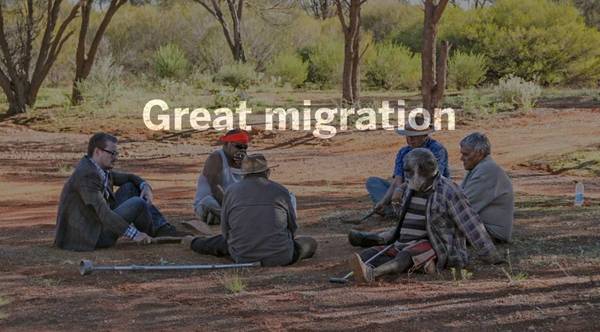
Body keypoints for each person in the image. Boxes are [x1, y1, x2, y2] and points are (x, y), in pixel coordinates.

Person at [349, 148, 503, 283]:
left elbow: (472, 225)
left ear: (422, 171)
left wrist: (492, 256)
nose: (406, 175)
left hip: (436, 244)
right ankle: (417, 266)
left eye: (409, 171)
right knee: (368, 254)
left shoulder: (449, 191)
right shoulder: (412, 186)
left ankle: (372, 274)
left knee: (406, 257)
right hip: (402, 243)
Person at [54, 133, 184, 251]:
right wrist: (135, 235)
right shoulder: (86, 175)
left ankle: (160, 228)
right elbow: (104, 213)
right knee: (138, 203)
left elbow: (129, 178)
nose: (115, 158)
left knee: (130, 187)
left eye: (116, 154)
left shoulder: (97, 168)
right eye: (112, 153)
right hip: (91, 236)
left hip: (99, 224)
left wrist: (145, 186)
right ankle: (154, 233)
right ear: (98, 152)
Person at [185, 154, 317, 267]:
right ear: (267, 173)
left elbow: (226, 232)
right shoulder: (281, 191)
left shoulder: (231, 192)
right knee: (310, 243)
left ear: (243, 175)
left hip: (242, 256)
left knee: (217, 243)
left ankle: (192, 242)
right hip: (281, 257)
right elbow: (292, 227)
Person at [366, 121, 450, 217]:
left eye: (414, 137)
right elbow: (398, 179)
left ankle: (402, 210)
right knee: (373, 182)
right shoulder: (403, 151)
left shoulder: (437, 149)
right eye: (408, 136)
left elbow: (433, 178)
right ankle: (395, 209)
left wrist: (401, 190)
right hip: (406, 191)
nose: (410, 140)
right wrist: (384, 201)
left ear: (425, 136)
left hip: (429, 191)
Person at [460, 132, 514, 242]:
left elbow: (462, 206)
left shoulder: (487, 170)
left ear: (479, 153)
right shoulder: (480, 168)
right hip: (482, 228)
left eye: (466, 154)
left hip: (491, 232)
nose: (462, 158)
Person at [194, 129, 249, 225]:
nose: (242, 150)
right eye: (238, 146)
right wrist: (231, 208)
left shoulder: (245, 161)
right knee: (209, 202)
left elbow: (251, 186)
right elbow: (215, 188)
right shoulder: (216, 158)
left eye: (245, 147)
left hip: (232, 206)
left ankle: (222, 218)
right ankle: (232, 218)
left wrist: (244, 166)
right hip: (214, 203)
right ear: (227, 144)